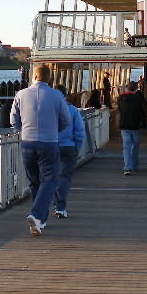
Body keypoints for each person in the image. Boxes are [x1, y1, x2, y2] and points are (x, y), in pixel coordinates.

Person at [10, 63, 70, 236]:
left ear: (34, 76)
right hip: (49, 142)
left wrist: (24, 130)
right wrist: (54, 130)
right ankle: (36, 215)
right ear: (49, 78)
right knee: (50, 180)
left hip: (27, 142)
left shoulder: (21, 94)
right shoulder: (57, 95)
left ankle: (40, 221)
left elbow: (13, 120)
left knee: (34, 181)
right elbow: (65, 120)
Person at [52, 84, 85, 218]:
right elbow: (79, 132)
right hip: (68, 146)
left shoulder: (47, 110)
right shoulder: (72, 110)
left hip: (50, 146)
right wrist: (76, 148)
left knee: (49, 176)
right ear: (66, 95)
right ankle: (60, 207)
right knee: (64, 177)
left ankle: (47, 206)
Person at [117, 80, 147, 175]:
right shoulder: (140, 98)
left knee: (126, 146)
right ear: (136, 89)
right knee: (135, 146)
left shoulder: (121, 98)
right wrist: (143, 123)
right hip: (136, 125)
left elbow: (120, 109)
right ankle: (134, 165)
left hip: (124, 125)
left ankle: (127, 167)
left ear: (127, 88)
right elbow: (144, 111)